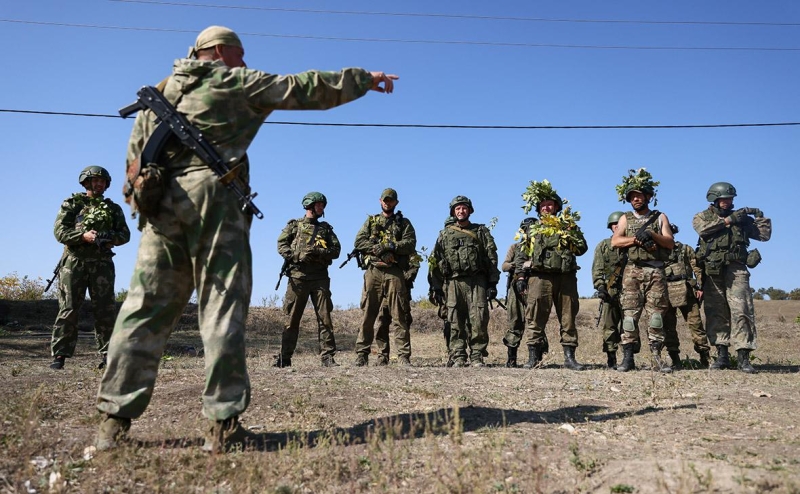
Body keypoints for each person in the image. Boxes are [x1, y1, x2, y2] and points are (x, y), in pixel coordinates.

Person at [95, 25, 399, 453]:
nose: (243, 62)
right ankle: (222, 427)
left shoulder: (157, 96)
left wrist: (145, 211)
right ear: (218, 52)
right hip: (214, 202)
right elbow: (303, 87)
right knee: (222, 309)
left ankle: (112, 423)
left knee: (143, 309)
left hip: (160, 207)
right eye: (239, 54)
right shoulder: (232, 81)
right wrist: (364, 79)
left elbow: (134, 166)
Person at [50, 166, 130, 370]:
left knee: (105, 310)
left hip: (102, 264)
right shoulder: (72, 204)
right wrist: (82, 237)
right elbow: (60, 232)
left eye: (102, 181)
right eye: (95, 180)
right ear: (86, 182)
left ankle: (109, 355)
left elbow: (125, 235)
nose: (99, 184)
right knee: (69, 308)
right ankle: (60, 355)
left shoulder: (113, 209)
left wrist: (109, 238)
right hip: (74, 262)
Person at [693, 182, 771, 374]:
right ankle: (722, 356)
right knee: (716, 312)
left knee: (742, 310)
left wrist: (760, 217)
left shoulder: (742, 220)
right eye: (724, 199)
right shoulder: (702, 216)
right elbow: (703, 230)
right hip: (712, 271)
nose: (728, 202)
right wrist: (729, 221)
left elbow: (764, 236)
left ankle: (743, 357)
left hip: (737, 270)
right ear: (714, 199)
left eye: (730, 199)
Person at [514, 182, 587, 371]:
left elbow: (582, 249)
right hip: (539, 278)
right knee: (535, 317)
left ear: (556, 207)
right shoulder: (532, 229)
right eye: (543, 205)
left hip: (566, 278)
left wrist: (571, 234)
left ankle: (570, 358)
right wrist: (520, 277)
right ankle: (533, 358)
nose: (547, 207)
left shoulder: (568, 225)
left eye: (550, 204)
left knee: (568, 317)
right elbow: (522, 255)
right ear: (538, 209)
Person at [611, 169, 674, 373]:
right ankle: (628, 359)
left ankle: (656, 358)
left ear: (648, 196)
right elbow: (616, 241)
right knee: (629, 316)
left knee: (656, 316)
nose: (636, 199)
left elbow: (670, 242)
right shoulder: (625, 219)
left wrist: (651, 235)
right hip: (632, 271)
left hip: (656, 271)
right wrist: (636, 240)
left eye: (639, 195)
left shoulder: (660, 217)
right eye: (632, 197)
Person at [429, 196, 499, 367]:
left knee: (479, 318)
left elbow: (491, 258)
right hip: (453, 282)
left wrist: (492, 283)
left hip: (477, 281)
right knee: (455, 319)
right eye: (458, 208)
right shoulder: (444, 235)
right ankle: (458, 354)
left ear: (470, 210)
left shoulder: (481, 232)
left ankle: (477, 355)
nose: (461, 211)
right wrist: (436, 287)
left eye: (464, 208)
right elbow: (435, 261)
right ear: (453, 212)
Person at [274, 192, 341, 368]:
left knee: (325, 318)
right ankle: (284, 358)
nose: (322, 208)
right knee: (291, 319)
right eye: (319, 205)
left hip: (320, 278)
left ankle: (327, 357)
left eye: (323, 205)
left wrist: (319, 252)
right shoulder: (294, 226)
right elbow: (281, 245)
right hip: (298, 278)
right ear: (309, 205)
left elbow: (336, 250)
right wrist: (297, 256)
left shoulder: (326, 229)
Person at [353, 188, 417, 367]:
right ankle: (362, 355)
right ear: (380, 201)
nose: (387, 203)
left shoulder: (403, 223)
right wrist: (378, 250)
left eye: (391, 200)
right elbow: (359, 242)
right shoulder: (371, 221)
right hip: (374, 271)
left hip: (394, 271)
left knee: (399, 315)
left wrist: (390, 246)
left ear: (396, 203)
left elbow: (410, 244)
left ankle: (403, 356)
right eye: (385, 200)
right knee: (368, 315)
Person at [662, 223, 710, 370]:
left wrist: (700, 286)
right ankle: (675, 359)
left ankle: (704, 357)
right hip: (665, 292)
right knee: (668, 327)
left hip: (687, 291)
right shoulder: (656, 251)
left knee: (696, 325)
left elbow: (697, 269)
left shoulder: (685, 249)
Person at [591, 211, 626, 369]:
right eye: (614, 224)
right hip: (610, 290)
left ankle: (628, 357)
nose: (617, 226)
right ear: (610, 227)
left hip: (629, 289)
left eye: (620, 223)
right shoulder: (604, 246)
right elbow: (597, 268)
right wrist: (600, 286)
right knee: (609, 326)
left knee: (629, 325)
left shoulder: (631, 244)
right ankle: (611, 358)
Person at [501, 217, 536, 368]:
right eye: (526, 229)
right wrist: (517, 264)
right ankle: (511, 358)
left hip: (534, 285)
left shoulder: (539, 248)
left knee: (535, 321)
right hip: (516, 287)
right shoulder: (515, 247)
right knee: (514, 320)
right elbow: (504, 266)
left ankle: (536, 357)